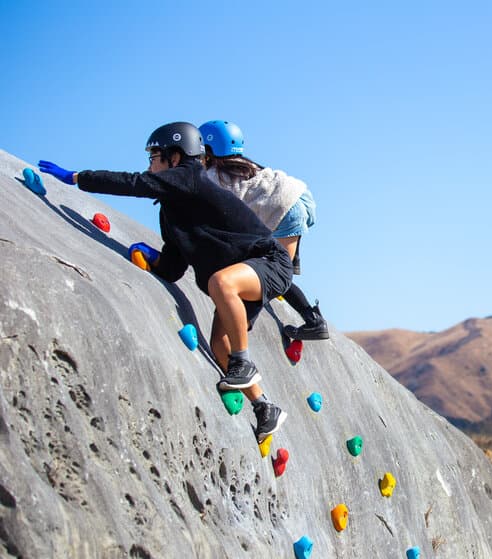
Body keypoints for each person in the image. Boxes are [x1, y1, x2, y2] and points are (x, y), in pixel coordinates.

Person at [38, 122, 288, 443]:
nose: (150, 164)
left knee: (221, 284)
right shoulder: (174, 211)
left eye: (154, 155)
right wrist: (151, 257)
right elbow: (173, 267)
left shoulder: (190, 177)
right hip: (241, 276)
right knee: (217, 346)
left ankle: (243, 362)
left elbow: (136, 183)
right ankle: (265, 407)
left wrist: (77, 178)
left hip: (267, 263)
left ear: (175, 155)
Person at [198, 120, 328, 341]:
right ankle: (313, 320)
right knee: (276, 271)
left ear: (208, 151)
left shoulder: (215, 175)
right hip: (296, 201)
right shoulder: (242, 165)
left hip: (284, 211)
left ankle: (250, 322)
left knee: (273, 274)